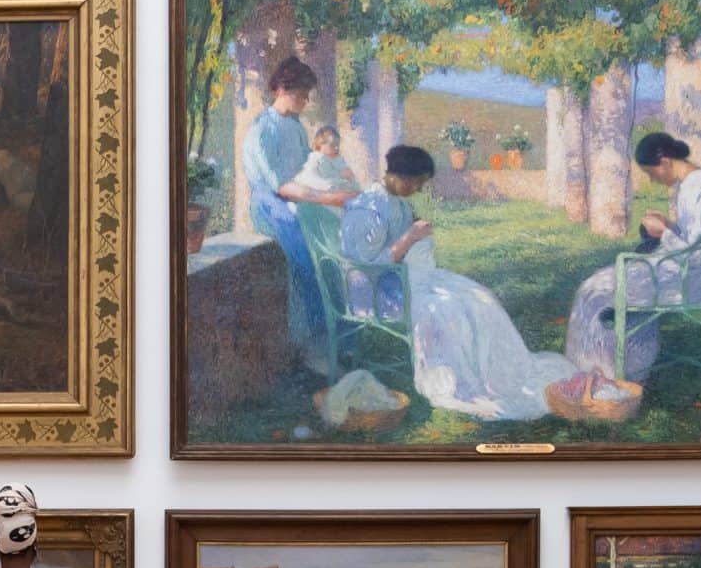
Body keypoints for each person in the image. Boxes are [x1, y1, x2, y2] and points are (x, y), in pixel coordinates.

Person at [343, 145, 576, 420]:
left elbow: (397, 243)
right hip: (377, 291)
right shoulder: (367, 209)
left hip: (403, 278)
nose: (418, 189)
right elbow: (367, 265)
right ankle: (456, 382)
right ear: (400, 177)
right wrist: (411, 237)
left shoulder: (397, 201)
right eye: (417, 183)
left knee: (478, 296)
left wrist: (413, 231)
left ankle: (497, 374)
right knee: (448, 310)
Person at [564, 131, 701, 381]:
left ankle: (591, 376)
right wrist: (670, 226)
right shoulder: (697, 184)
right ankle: (620, 371)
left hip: (693, 280)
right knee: (599, 287)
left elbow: (697, 255)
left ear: (664, 162)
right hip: (690, 273)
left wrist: (663, 232)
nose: (653, 180)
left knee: (592, 291)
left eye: (652, 173)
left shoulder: (699, 189)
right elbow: (697, 239)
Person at [240, 58, 353, 366]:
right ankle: (316, 345)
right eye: (301, 94)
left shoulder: (295, 127)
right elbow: (280, 186)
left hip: (298, 198)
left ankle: (341, 337)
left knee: (333, 255)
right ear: (280, 89)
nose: (305, 100)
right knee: (307, 261)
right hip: (272, 206)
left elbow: (306, 170)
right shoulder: (262, 130)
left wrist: (333, 180)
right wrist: (327, 198)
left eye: (306, 94)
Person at [294, 125, 361, 194]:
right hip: (315, 183)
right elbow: (324, 174)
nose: (336, 148)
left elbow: (345, 171)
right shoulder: (317, 157)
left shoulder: (337, 158)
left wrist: (349, 175)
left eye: (337, 145)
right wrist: (340, 174)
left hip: (329, 184)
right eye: (332, 145)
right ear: (320, 145)